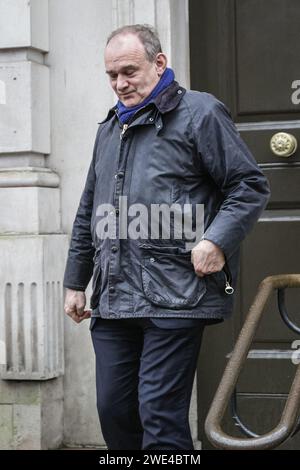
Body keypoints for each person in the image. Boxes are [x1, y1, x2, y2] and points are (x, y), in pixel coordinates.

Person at [63, 24, 270, 450]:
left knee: (159, 413)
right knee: (114, 410)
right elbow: (90, 210)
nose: (120, 83)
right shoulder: (109, 128)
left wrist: (216, 240)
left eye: (129, 71)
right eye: (111, 75)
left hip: (176, 295)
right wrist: (74, 281)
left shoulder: (200, 113)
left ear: (159, 64)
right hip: (114, 297)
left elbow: (248, 184)